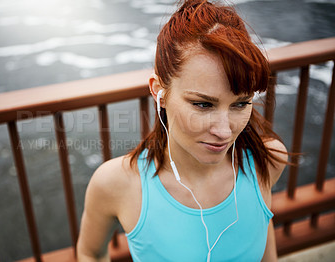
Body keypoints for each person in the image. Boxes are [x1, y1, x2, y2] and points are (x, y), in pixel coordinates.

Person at [77, 0, 288, 261]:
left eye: (240, 104)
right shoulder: (116, 184)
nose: (224, 131)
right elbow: (90, 254)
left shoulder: (267, 161)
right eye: (203, 104)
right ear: (159, 92)